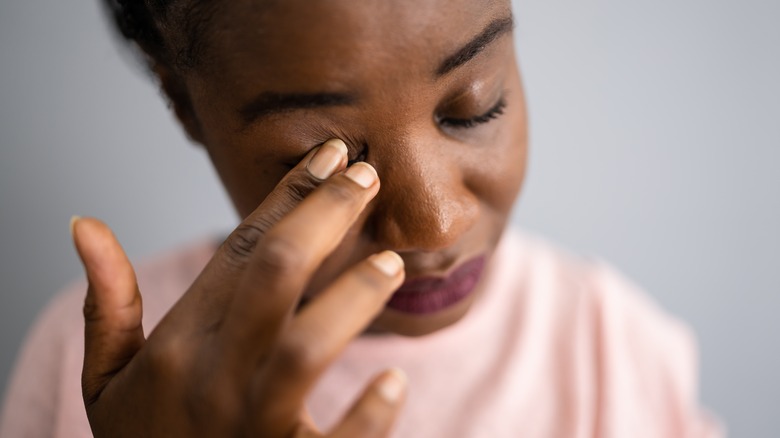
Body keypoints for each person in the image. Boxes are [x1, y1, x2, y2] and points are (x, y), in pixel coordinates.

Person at [0, 0, 722, 436]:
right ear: (186, 106)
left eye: (475, 107)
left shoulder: (615, 353)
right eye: (326, 156)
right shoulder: (104, 376)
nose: (434, 228)